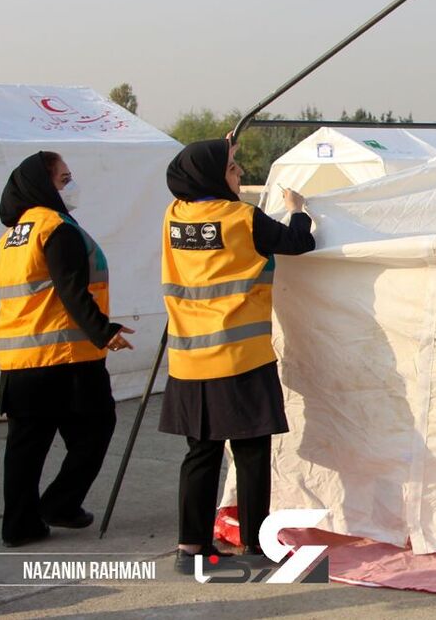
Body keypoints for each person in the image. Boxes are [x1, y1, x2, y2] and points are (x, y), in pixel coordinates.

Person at [157, 138, 314, 573]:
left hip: (189, 358)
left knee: (201, 452)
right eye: (231, 167)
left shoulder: (174, 217)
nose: (239, 172)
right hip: (239, 356)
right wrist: (298, 208)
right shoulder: (242, 218)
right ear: (212, 177)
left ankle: (190, 549)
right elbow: (298, 243)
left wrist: (217, 150)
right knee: (250, 451)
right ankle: (255, 546)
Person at [0, 151, 135, 547]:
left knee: (27, 445)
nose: (70, 185)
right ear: (43, 184)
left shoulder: (14, 234)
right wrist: (102, 330)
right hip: (64, 356)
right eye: (64, 178)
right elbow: (71, 289)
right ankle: (60, 502)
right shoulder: (56, 228)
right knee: (98, 425)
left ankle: (20, 524)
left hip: (21, 357)